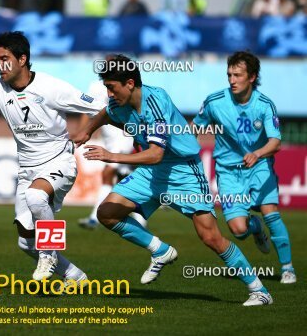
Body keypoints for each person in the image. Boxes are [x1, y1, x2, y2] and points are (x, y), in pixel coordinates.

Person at [74, 54, 273, 306]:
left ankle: (260, 291)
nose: (109, 93)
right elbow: (106, 113)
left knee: (211, 237)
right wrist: (87, 130)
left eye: (111, 87)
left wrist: (111, 156)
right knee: (107, 213)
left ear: (130, 83)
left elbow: (156, 154)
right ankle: (160, 250)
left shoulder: (156, 102)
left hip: (183, 171)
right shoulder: (119, 104)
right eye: (106, 88)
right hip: (151, 172)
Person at [0, 31, 104, 286]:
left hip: (59, 161)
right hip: (27, 170)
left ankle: (49, 254)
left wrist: (102, 128)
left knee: (36, 196)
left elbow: (98, 107)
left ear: (22, 59)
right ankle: (75, 276)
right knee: (25, 241)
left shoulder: (52, 87)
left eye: (5, 58)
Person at [193, 51, 296, 284]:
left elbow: (276, 142)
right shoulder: (214, 102)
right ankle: (254, 227)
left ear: (252, 77)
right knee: (239, 230)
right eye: (229, 74)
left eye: (237, 75)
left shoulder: (264, 105)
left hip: (259, 165)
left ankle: (287, 268)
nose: (232, 79)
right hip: (228, 172)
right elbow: (195, 130)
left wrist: (258, 153)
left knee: (271, 212)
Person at [77, 80, 148, 229]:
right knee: (125, 176)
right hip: (110, 139)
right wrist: (86, 131)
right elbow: (91, 111)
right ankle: (140, 216)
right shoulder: (96, 87)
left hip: (121, 139)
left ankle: (94, 218)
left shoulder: (124, 89)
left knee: (108, 174)